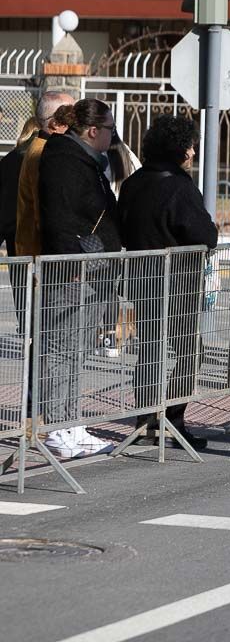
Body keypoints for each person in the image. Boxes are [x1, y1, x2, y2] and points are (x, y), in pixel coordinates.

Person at [118, 116, 218, 451]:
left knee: (150, 350)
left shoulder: (132, 184)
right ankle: (172, 418)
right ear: (181, 149)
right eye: (190, 145)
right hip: (178, 283)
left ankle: (145, 418)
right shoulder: (179, 185)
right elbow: (203, 234)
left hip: (141, 278)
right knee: (190, 349)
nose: (193, 152)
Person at [37, 98, 123, 459]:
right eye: (109, 129)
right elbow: (59, 217)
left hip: (92, 272)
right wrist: (75, 262)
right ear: (92, 131)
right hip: (73, 273)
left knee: (78, 350)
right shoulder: (64, 161)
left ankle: (71, 424)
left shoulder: (88, 162)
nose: (112, 136)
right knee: (62, 349)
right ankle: (58, 427)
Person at [14, 91, 73, 257]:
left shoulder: (46, 148)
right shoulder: (42, 153)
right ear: (55, 123)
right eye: (70, 116)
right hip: (39, 256)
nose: (77, 121)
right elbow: (45, 209)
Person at [1, 115, 39, 256]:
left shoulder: (9, 158)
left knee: (20, 275)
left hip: (13, 228)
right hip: (33, 228)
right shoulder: (43, 155)